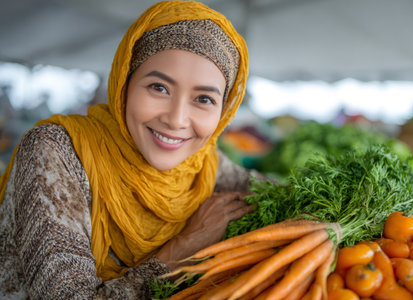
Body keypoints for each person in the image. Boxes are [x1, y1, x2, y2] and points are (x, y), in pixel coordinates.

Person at [0, 1, 265, 298]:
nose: (176, 119)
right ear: (124, 84)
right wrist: (184, 247)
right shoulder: (56, 151)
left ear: (223, 112)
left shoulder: (202, 164)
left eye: (203, 99)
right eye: (159, 88)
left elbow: (276, 191)